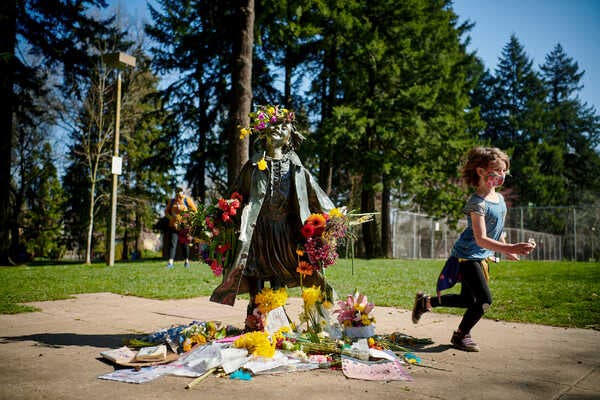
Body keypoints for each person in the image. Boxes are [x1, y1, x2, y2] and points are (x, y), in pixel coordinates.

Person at [209, 105, 335, 330]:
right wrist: (217, 217)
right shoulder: (253, 166)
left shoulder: (296, 168)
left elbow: (316, 193)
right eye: (271, 126)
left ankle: (277, 312)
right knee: (257, 269)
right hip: (258, 229)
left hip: (285, 229)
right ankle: (256, 313)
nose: (276, 130)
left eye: (283, 126)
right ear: (263, 133)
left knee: (279, 269)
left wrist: (334, 216)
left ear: (290, 136)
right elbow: (236, 193)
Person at [411, 146, 536, 352]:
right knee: (484, 300)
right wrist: (510, 246)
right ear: (480, 171)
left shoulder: (500, 199)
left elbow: (497, 229)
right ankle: (461, 336)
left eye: (504, 171)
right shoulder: (476, 202)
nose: (502, 175)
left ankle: (425, 303)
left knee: (467, 300)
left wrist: (507, 250)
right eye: (497, 170)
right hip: (467, 257)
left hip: (482, 256)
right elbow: (481, 239)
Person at [165, 187, 197, 269]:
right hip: (174, 226)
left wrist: (188, 217)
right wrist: (171, 218)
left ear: (183, 192)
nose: (178, 193)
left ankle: (186, 261)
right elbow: (166, 212)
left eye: (179, 191)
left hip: (184, 226)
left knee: (184, 245)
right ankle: (170, 263)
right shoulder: (172, 202)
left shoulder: (187, 200)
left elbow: (195, 211)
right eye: (176, 191)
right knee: (173, 244)